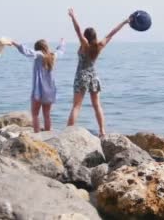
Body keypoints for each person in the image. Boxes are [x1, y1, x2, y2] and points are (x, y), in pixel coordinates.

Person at [66, 8, 130, 137]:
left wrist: (73, 17)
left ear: (86, 36)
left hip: (82, 75)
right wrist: (124, 22)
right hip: (93, 76)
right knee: (97, 105)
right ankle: (102, 131)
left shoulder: (84, 45)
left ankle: (68, 131)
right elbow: (112, 33)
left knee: (77, 106)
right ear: (95, 36)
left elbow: (78, 31)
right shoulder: (99, 45)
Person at [11, 38, 66, 133]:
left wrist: (14, 43)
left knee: (35, 114)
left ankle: (37, 134)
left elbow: (27, 52)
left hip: (39, 90)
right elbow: (60, 51)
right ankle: (48, 134)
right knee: (47, 114)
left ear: (38, 49)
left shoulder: (39, 55)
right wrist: (62, 42)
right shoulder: (53, 56)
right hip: (50, 90)